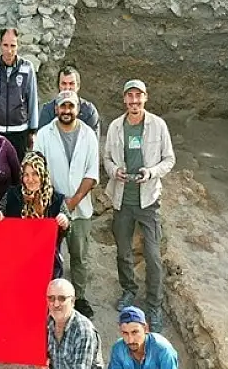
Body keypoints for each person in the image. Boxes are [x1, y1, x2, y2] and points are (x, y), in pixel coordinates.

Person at [104, 80, 176, 332]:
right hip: (122, 199)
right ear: (124, 100)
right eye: (130, 97)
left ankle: (153, 305)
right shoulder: (115, 126)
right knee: (123, 250)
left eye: (138, 96)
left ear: (146, 98)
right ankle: (128, 291)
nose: (134, 101)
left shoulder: (157, 126)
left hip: (148, 201)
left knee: (153, 255)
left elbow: (169, 159)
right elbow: (107, 159)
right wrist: (115, 171)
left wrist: (152, 172)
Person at [33, 91, 100, 319]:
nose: (66, 111)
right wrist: (56, 204)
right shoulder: (43, 135)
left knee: (79, 255)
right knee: (51, 257)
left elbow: (91, 173)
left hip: (79, 209)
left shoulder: (89, 135)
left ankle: (79, 298)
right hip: (51, 210)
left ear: (78, 109)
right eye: (63, 107)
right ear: (56, 109)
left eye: (71, 106)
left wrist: (71, 203)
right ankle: (51, 299)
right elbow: (38, 171)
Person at [17, 279, 103, 369]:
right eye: (51, 298)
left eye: (62, 298)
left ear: (73, 301)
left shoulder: (83, 330)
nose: (56, 304)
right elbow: (36, 349)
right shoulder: (47, 322)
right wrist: (38, 359)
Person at [0, 151, 69, 278]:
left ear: (42, 174)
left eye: (35, 174)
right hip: (17, 263)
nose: (30, 179)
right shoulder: (12, 194)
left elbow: (67, 228)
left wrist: (65, 221)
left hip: (48, 264)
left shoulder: (56, 199)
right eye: (26, 175)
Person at [0, 28, 39, 160]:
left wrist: (33, 130)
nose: (9, 50)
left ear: (18, 46)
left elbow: (32, 100)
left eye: (13, 45)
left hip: (19, 132)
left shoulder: (27, 68)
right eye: (5, 45)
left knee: (18, 173)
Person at [38, 66, 100, 136]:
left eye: (71, 83)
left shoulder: (89, 111)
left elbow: (93, 142)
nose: (67, 88)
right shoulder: (48, 110)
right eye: (64, 83)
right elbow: (42, 140)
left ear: (78, 86)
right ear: (58, 86)